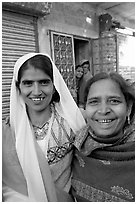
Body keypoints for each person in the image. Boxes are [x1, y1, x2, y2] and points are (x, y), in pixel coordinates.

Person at [2, 53, 86, 202]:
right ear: (18, 88)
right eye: (28, 83)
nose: (36, 91)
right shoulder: (9, 131)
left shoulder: (72, 122)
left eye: (44, 82)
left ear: (54, 86)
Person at [71, 72, 135, 202]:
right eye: (94, 102)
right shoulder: (77, 146)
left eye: (114, 101)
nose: (103, 110)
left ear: (128, 107)